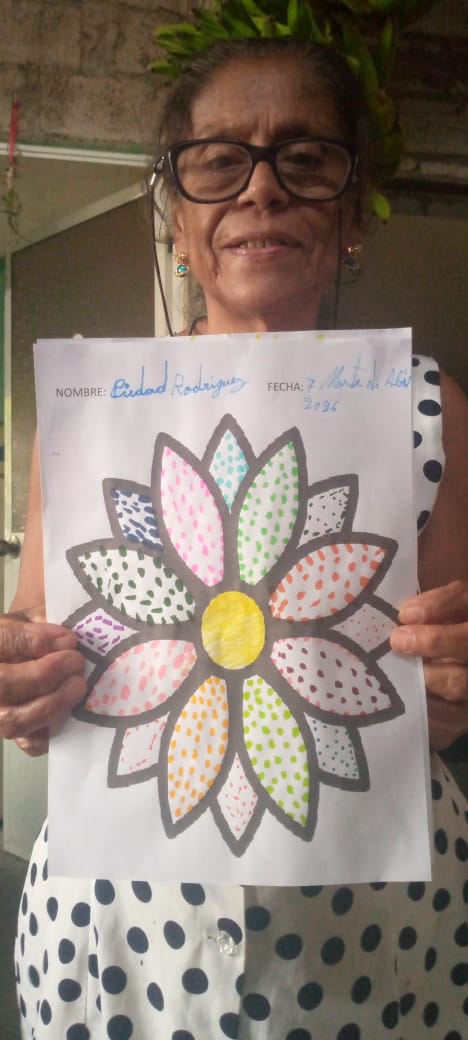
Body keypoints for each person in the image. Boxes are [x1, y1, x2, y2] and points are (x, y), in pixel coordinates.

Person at [2, 37, 467, 1040]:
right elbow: (35, 640)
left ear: (352, 213)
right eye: (219, 162)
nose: (261, 188)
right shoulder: (92, 418)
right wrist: (24, 683)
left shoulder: (428, 408)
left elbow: (442, 691)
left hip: (363, 918)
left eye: (306, 158)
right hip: (121, 922)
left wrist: (453, 674)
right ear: (178, 217)